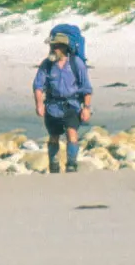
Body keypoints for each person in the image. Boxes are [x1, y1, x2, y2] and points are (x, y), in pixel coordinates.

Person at [31, 28, 92, 172]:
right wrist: (39, 104)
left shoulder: (76, 63)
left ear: (64, 48)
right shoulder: (46, 64)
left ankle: (71, 165)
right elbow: (38, 86)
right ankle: (54, 165)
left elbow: (86, 88)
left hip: (72, 105)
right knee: (53, 137)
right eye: (52, 46)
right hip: (52, 106)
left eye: (56, 46)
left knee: (72, 133)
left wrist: (86, 108)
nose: (53, 49)